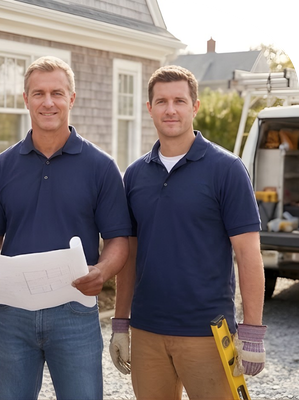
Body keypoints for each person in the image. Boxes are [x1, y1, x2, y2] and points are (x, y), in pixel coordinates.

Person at [0, 56, 131, 400]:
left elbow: (118, 241)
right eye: (38, 93)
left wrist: (102, 271)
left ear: (72, 98)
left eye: (56, 93)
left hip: (75, 311)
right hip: (12, 314)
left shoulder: (101, 166)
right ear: (25, 99)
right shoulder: (1, 168)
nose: (47, 102)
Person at [110, 65, 267, 400]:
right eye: (162, 101)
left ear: (194, 107)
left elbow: (248, 253)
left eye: (179, 101)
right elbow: (129, 254)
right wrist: (121, 322)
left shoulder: (227, 169)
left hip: (208, 333)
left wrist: (252, 331)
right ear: (149, 108)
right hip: (147, 330)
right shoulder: (135, 175)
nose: (170, 109)